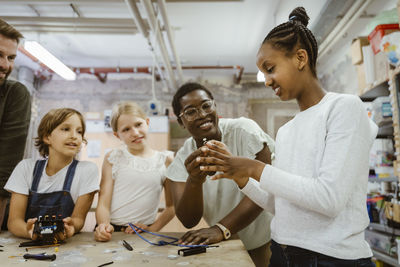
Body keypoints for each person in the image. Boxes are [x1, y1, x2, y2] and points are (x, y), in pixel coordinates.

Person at [198, 7, 377, 267]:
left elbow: (329, 199)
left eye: (270, 69)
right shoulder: (287, 130)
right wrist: (242, 178)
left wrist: (254, 167)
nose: (267, 81)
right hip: (283, 254)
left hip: (330, 259)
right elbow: (281, 204)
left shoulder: (343, 108)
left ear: (300, 58)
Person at [166, 82, 275, 267]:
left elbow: (265, 189)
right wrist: (194, 182)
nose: (202, 115)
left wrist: (221, 228)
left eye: (206, 105)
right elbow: (188, 220)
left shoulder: (244, 131)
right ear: (181, 122)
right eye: (191, 112)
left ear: (215, 106)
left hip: (266, 240)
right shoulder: (183, 158)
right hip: (226, 245)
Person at [5, 108, 99, 240]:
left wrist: (72, 227)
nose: (74, 136)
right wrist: (31, 232)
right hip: (28, 245)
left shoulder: (87, 170)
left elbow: (78, 219)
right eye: (66, 129)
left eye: (79, 131)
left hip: (66, 247)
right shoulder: (26, 168)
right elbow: (14, 222)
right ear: (47, 137)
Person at [94, 101, 175, 241]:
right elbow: (103, 203)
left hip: (144, 233)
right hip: (112, 232)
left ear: (147, 122)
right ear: (117, 135)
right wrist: (103, 225)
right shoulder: (113, 158)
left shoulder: (165, 161)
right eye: (126, 129)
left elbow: (172, 207)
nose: (135, 133)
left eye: (138, 125)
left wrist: (152, 229)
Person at [0, 18, 31, 230]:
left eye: (11, 57)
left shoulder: (14, 95)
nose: (6, 65)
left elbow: (4, 172)